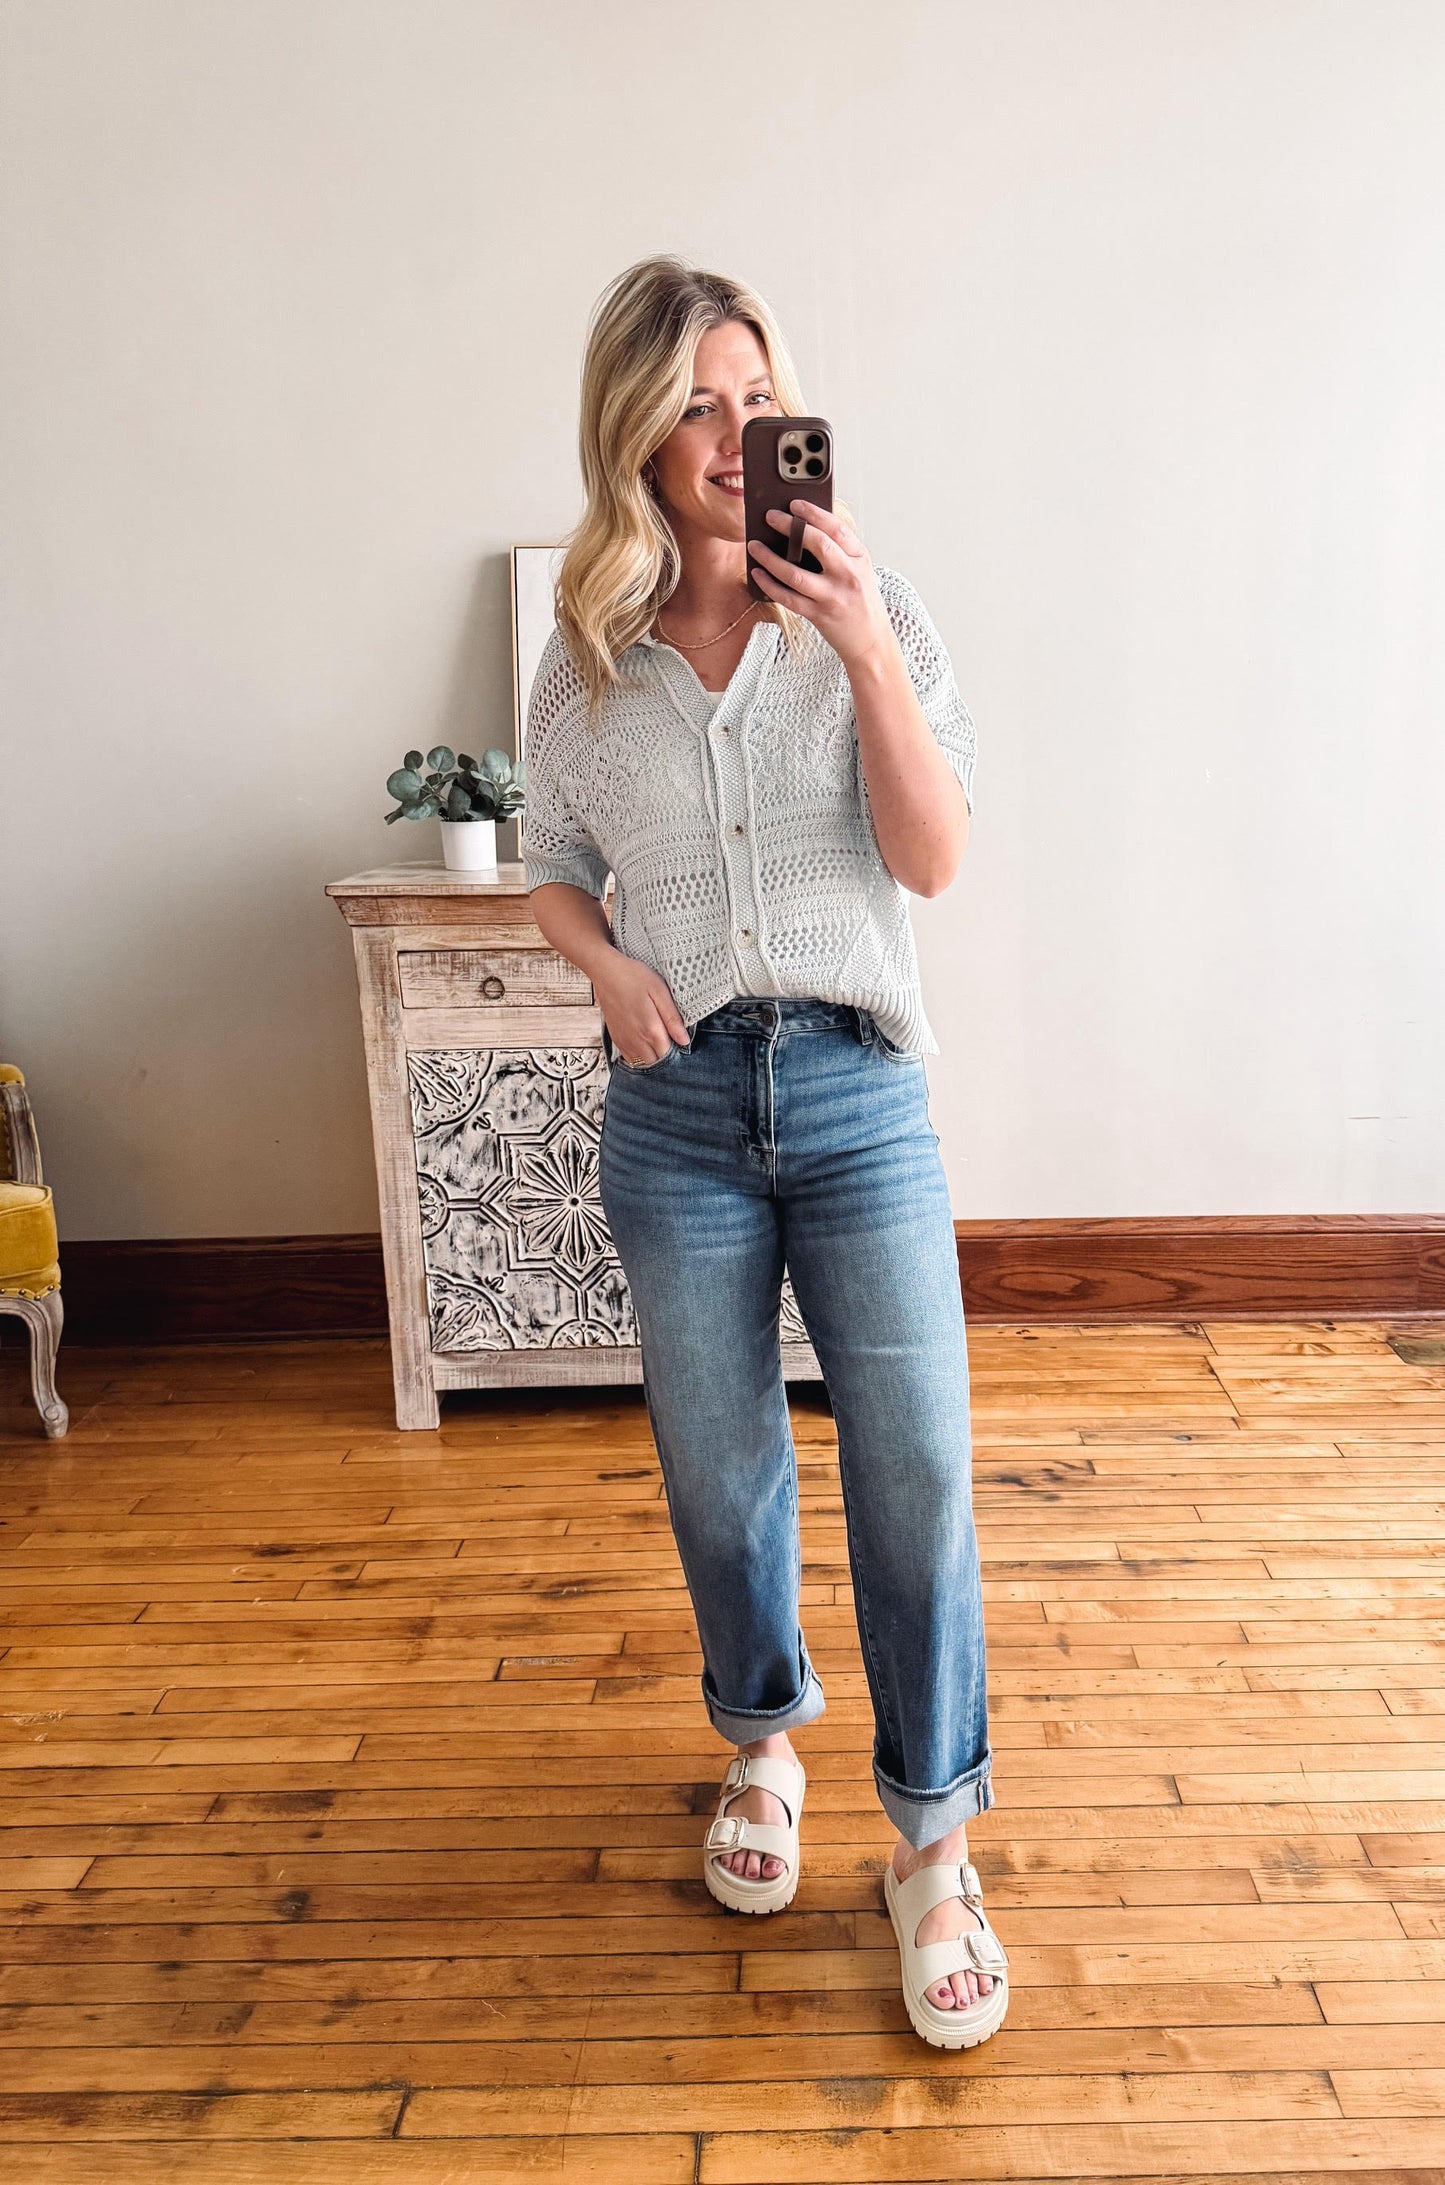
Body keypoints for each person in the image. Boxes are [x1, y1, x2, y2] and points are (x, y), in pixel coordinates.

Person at [523, 253, 1007, 2049]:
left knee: (918, 1473)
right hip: (674, 1116)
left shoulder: (875, 614)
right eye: (696, 405)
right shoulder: (583, 666)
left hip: (858, 1090)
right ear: (638, 439)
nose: (735, 435)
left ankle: (935, 1845)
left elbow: (933, 857)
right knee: (719, 1465)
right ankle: (761, 1746)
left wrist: (863, 637)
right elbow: (555, 860)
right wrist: (608, 966)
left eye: (756, 395)